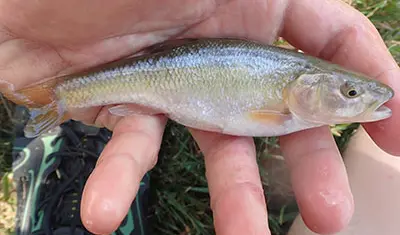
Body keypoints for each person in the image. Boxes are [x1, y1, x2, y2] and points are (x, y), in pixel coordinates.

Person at [0, 0, 399, 235]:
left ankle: (60, 111)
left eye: (351, 94)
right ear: (310, 84)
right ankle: (62, 102)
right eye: (349, 93)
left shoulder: (291, 102)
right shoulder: (280, 107)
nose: (354, 100)